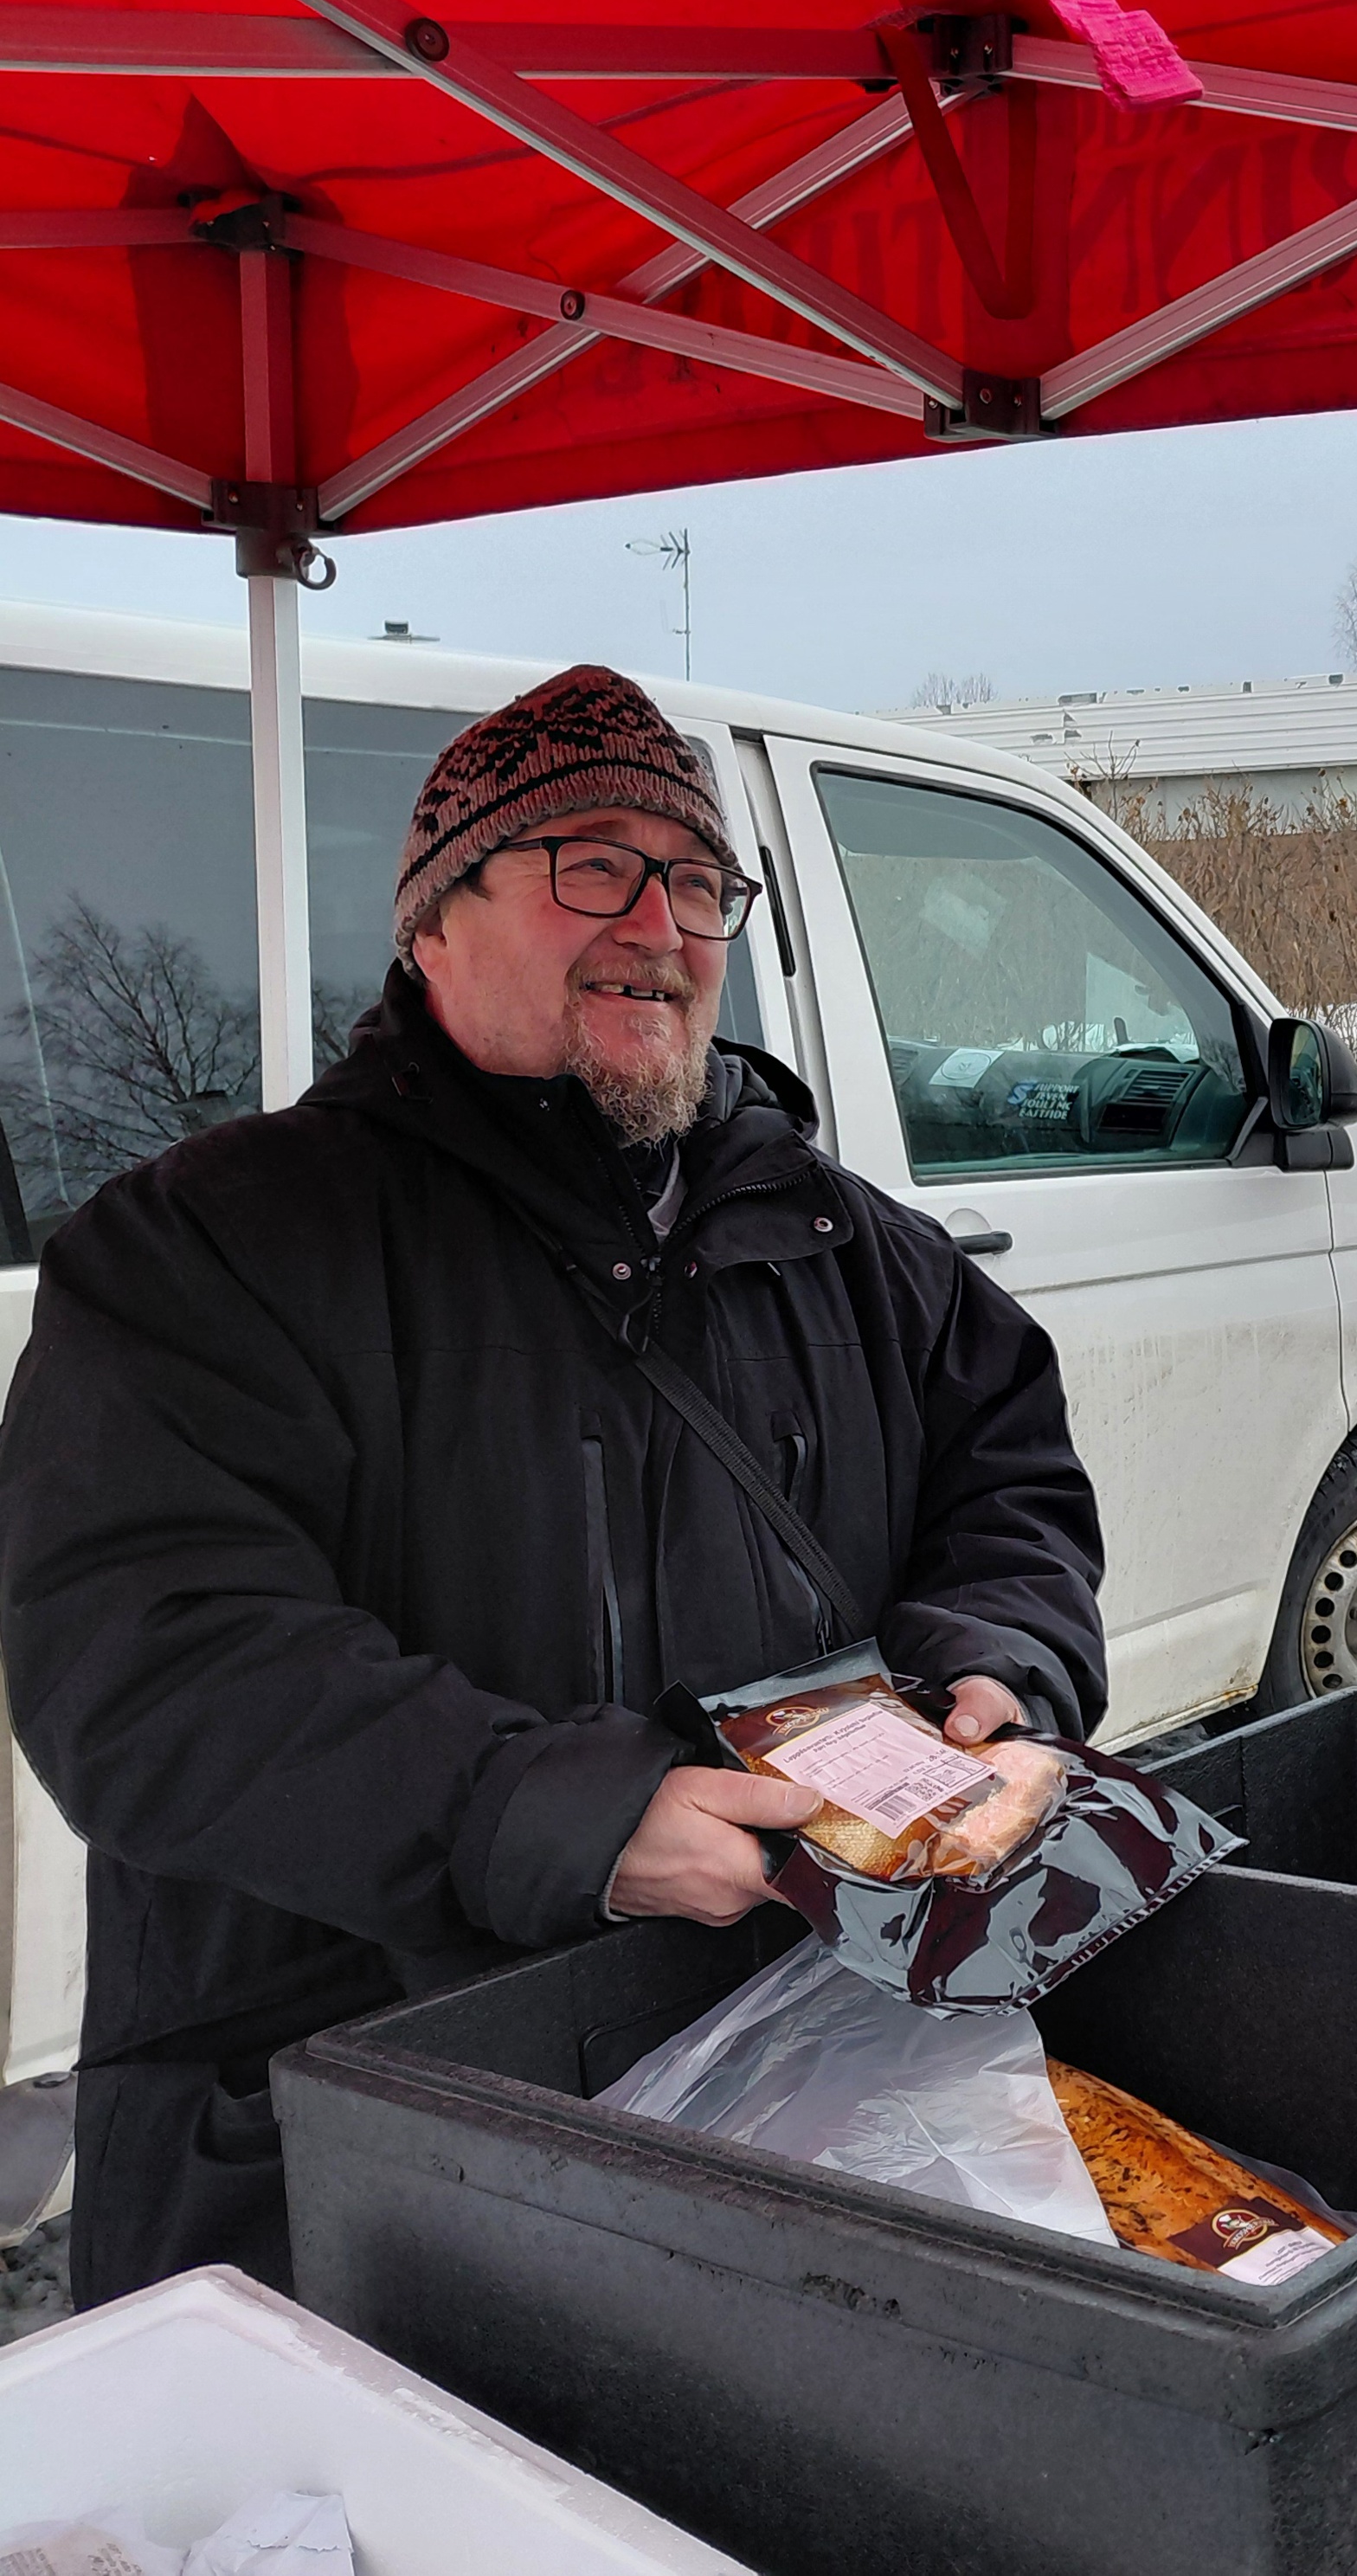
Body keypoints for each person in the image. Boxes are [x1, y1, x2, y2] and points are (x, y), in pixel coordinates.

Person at [1, 665, 1105, 2308]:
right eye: (591, 864)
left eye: (698, 881)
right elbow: (147, 1663)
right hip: (358, 2156)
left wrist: (997, 1666)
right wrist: (565, 1816)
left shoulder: (839, 1240)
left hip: (787, 2094)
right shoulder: (210, 1251)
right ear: (433, 925)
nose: (658, 921)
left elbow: (1008, 1473)